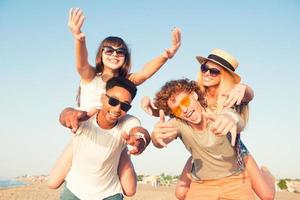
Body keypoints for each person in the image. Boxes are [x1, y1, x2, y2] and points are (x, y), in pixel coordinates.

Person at [48, 7, 181, 196]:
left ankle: (118, 162)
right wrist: (79, 38)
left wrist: (166, 55)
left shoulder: (127, 83)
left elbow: (145, 73)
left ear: (126, 57)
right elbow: (81, 63)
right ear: (101, 53)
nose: (114, 54)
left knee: (130, 189)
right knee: (53, 182)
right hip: (85, 135)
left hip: (116, 138)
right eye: (109, 50)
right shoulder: (91, 76)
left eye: (120, 52)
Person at [142, 49, 275, 200]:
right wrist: (154, 114)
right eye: (204, 68)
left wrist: (244, 88)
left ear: (224, 75)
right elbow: (173, 110)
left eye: (214, 71)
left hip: (233, 151)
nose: (207, 73)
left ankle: (266, 174)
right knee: (180, 193)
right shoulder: (196, 93)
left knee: (267, 196)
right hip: (201, 152)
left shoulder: (230, 95)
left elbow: (241, 109)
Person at [151, 78, 254, 199]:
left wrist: (233, 119)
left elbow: (237, 120)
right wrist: (156, 137)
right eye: (178, 109)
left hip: (234, 181)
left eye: (185, 102)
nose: (184, 110)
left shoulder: (218, 110)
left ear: (194, 95)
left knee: (267, 194)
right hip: (202, 184)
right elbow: (159, 138)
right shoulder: (179, 123)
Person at [58, 77, 151, 200]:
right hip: (75, 190)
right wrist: (67, 115)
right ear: (102, 98)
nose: (117, 109)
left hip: (109, 194)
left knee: (130, 190)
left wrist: (140, 139)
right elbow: (67, 114)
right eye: (113, 101)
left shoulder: (128, 121)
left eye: (124, 106)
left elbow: (140, 131)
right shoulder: (85, 115)